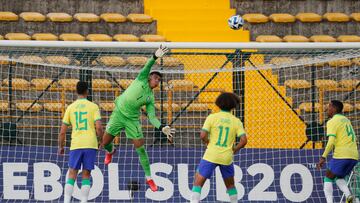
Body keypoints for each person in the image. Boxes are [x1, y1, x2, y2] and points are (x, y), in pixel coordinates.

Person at [101, 45, 175, 192]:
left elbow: (152, 117)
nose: (157, 80)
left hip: (132, 121)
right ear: (149, 77)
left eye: (159, 80)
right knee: (105, 143)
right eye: (155, 77)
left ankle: (149, 178)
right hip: (118, 114)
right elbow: (148, 66)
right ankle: (110, 152)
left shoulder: (150, 98)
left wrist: (162, 127)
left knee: (140, 149)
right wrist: (155, 56)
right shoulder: (141, 78)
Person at [190, 92, 248, 203]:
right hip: (226, 157)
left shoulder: (212, 117)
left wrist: (207, 142)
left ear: (219, 103)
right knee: (230, 185)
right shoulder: (236, 121)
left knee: (198, 182)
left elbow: (202, 135)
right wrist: (234, 150)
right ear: (233, 106)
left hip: (211, 154)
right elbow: (244, 140)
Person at [58, 81, 103, 203]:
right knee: (86, 174)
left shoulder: (70, 107)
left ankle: (66, 201)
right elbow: (99, 127)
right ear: (87, 91)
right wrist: (102, 141)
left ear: (76, 91)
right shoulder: (93, 106)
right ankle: (84, 201)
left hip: (76, 144)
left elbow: (62, 131)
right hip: (90, 144)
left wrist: (61, 146)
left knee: (72, 173)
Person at [317, 100, 359, 203]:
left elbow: (331, 141)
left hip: (342, 155)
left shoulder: (332, 121)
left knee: (328, 177)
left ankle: (330, 201)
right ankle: (349, 196)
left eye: (329, 106)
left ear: (333, 108)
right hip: (354, 156)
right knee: (338, 177)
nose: (327, 109)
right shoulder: (346, 120)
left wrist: (323, 157)